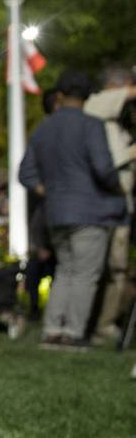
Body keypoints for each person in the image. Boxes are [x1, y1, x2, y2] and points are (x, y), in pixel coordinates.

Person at [19, 70, 126, 351]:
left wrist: (51, 191)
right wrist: (118, 188)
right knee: (85, 274)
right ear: (87, 97)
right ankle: (73, 334)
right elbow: (103, 169)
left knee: (65, 270)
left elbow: (26, 174)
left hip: (56, 212)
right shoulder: (91, 126)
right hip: (90, 211)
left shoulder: (44, 128)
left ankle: (52, 331)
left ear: (60, 96)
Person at [84, 66, 136, 344]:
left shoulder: (114, 124)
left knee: (118, 268)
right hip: (104, 201)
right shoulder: (97, 105)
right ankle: (97, 326)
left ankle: (107, 323)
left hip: (120, 202)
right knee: (102, 267)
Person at [25, 87, 61, 320]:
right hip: (48, 214)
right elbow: (26, 173)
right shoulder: (46, 133)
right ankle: (37, 310)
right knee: (35, 267)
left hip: (62, 213)